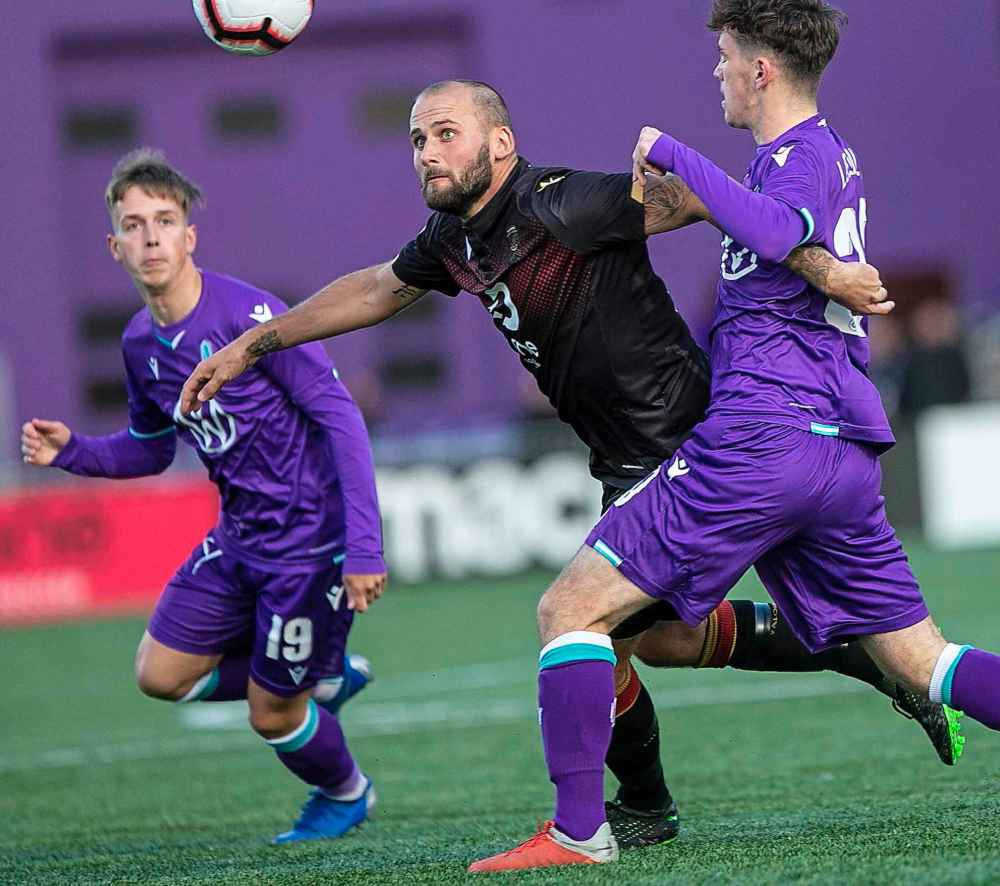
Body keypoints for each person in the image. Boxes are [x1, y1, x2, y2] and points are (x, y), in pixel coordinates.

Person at [177, 79, 954, 852]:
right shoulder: (456, 240)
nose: (427, 153)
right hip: (623, 455)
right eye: (417, 140)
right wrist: (255, 342)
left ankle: (634, 809)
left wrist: (822, 269)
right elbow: (377, 288)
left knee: (587, 623)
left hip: (681, 437)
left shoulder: (563, 203)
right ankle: (876, 667)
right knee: (658, 641)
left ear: (500, 143)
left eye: (446, 133)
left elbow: (698, 201)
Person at [467, 0, 1000, 872]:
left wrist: (674, 151)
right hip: (838, 453)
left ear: (760, 69)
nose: (715, 72)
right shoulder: (822, 157)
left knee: (569, 609)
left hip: (763, 440)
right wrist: (818, 263)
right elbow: (796, 242)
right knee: (922, 661)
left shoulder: (795, 159)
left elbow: (776, 224)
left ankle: (577, 833)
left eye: (722, 58)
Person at [20, 150, 386, 845]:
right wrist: (71, 451)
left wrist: (363, 546)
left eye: (165, 220)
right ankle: (319, 671)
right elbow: (152, 447)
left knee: (271, 714)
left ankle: (346, 791)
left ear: (190, 236)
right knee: (159, 674)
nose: (151, 236)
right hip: (240, 537)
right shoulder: (138, 344)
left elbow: (341, 418)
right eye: (134, 224)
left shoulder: (251, 318)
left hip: (311, 545)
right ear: (115, 246)